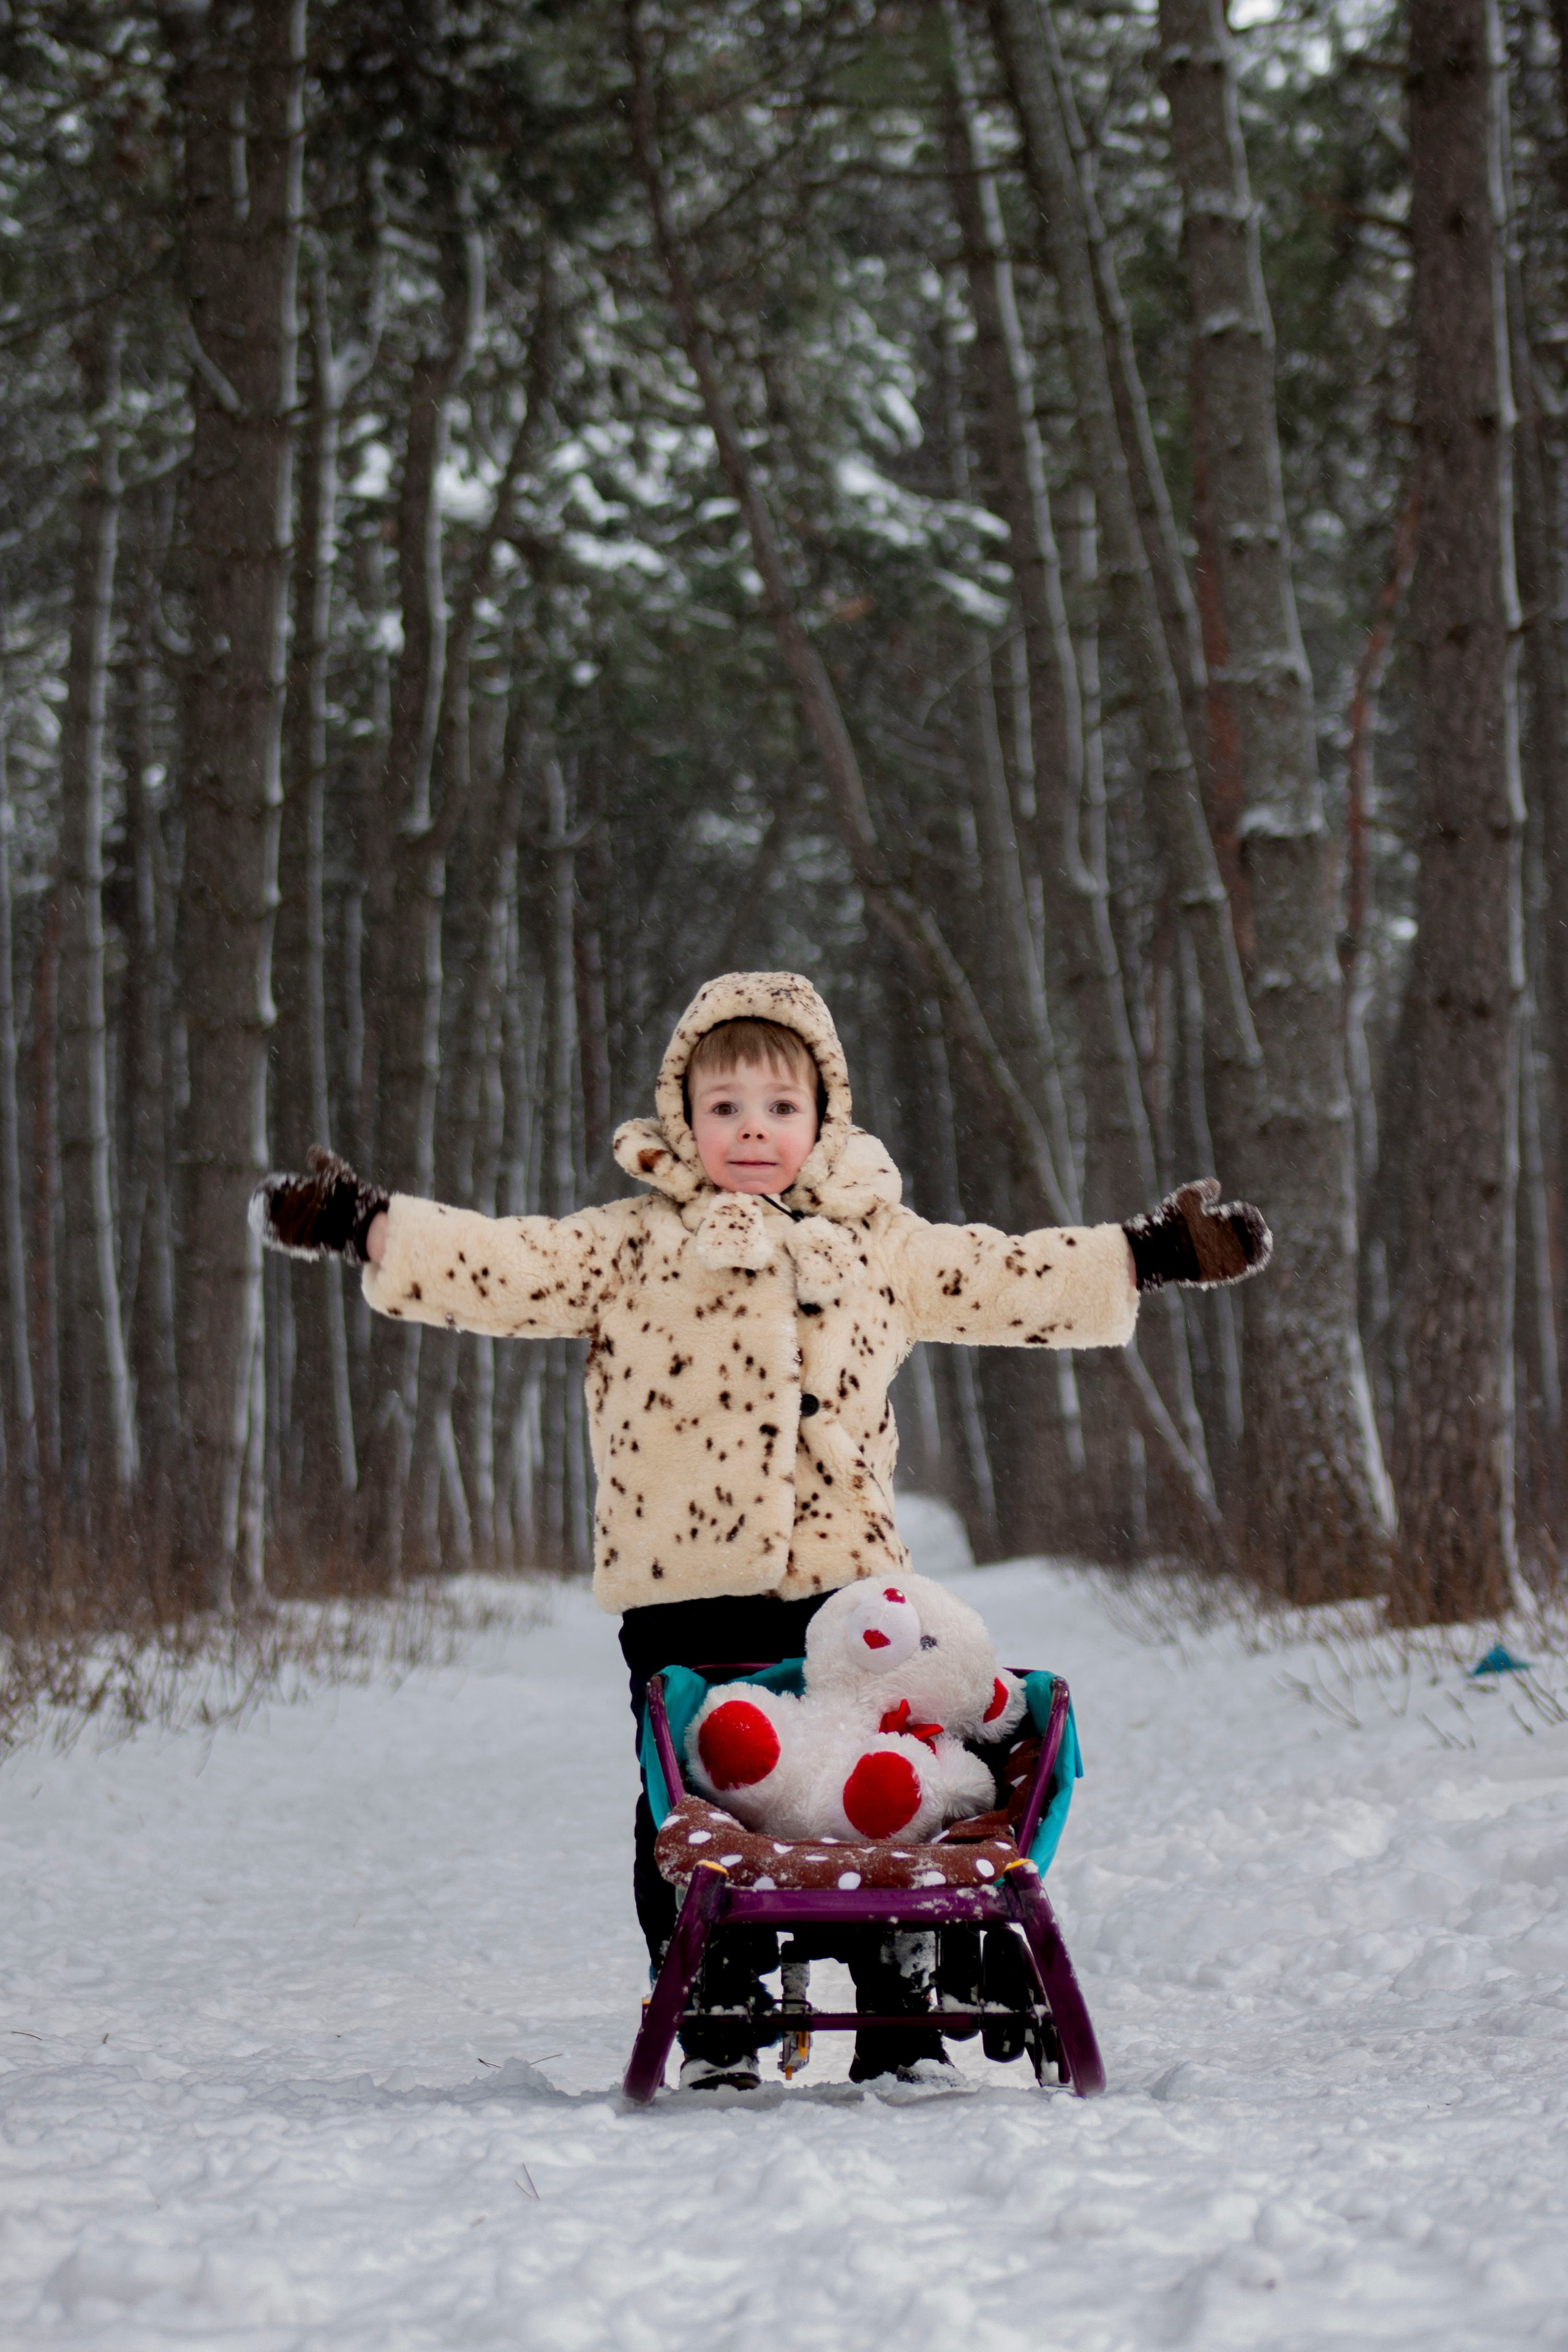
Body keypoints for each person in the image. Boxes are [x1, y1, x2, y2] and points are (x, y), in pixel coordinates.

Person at [254, 970, 1269, 2088]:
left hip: (848, 1589)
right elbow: (509, 1263)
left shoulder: (878, 1243)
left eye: (780, 1108)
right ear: (684, 1117)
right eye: (724, 1106)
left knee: (891, 1783)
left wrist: (1151, 1251)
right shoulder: (632, 1243)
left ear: (823, 1117)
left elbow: (1006, 1273)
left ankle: (899, 2015)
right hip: (685, 1584)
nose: (752, 1130)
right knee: (694, 1796)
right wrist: (366, 1224)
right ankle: (719, 2013)